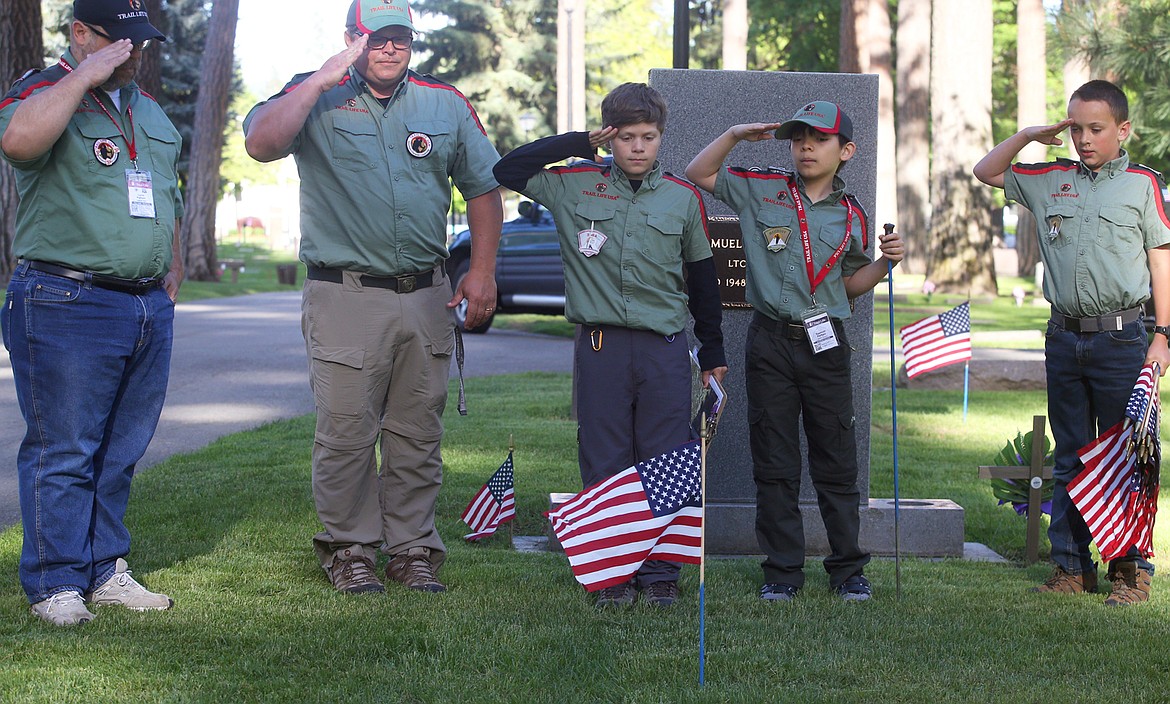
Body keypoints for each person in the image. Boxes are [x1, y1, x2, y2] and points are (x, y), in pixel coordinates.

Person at [243, 0, 502, 595]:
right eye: (375, 39)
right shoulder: (311, 94)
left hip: (426, 292)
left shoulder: (444, 102)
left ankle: (412, 549)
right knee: (346, 430)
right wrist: (320, 80)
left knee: (417, 430)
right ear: (351, 39)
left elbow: (484, 189)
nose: (389, 49)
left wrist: (481, 271)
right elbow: (261, 143)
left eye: (400, 40)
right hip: (346, 294)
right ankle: (349, 548)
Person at [493, 83, 727, 608]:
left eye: (648, 136)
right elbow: (506, 170)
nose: (638, 147)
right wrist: (578, 142)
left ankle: (660, 572)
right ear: (609, 138)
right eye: (625, 137)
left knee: (666, 459)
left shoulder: (682, 198)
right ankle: (611, 571)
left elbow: (702, 277)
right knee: (606, 459)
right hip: (601, 346)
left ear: (661, 137)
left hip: (664, 346)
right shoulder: (574, 184)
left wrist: (712, 352)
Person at [0, 0, 182, 626]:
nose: (133, 53)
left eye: (141, 43)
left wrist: (170, 269)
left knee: (120, 449)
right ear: (81, 33)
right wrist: (83, 74)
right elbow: (19, 143)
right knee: (64, 449)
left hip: (145, 304)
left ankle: (105, 570)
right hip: (66, 300)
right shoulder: (42, 92)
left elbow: (166, 195)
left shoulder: (149, 113)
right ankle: (55, 582)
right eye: (118, 41)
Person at [686, 102, 904, 603]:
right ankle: (781, 573)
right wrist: (734, 131)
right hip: (770, 342)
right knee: (775, 459)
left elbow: (848, 284)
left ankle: (848, 570)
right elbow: (700, 171)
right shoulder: (762, 188)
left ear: (845, 151)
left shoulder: (853, 215)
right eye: (798, 137)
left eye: (819, 138)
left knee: (836, 460)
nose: (805, 146)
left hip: (826, 344)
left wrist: (885, 266)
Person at [974, 80, 1170, 606]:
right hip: (1063, 337)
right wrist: (1026, 135)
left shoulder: (1143, 185)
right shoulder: (1049, 177)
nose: (1083, 138)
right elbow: (987, 171)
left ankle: (1130, 573)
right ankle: (1070, 566)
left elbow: (1160, 261)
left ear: (1123, 129)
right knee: (1072, 456)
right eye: (1076, 127)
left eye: (1095, 128)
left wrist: (1163, 336)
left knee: (1127, 454)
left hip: (1121, 338)